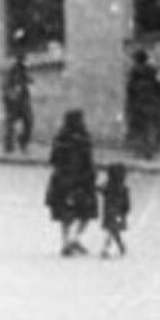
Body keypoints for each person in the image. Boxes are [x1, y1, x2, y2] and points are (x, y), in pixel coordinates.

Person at [45, 109, 98, 257]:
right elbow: (88, 161)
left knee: (66, 214)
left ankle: (67, 241)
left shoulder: (61, 139)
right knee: (85, 213)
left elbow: (53, 160)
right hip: (81, 181)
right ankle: (74, 239)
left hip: (63, 181)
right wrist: (90, 175)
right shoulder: (84, 139)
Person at [125, 50, 160, 159]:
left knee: (139, 129)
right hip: (150, 103)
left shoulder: (134, 71)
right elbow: (158, 85)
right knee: (149, 128)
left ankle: (140, 151)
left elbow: (130, 88)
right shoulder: (152, 70)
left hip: (138, 104)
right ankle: (149, 152)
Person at [1, 53, 33, 155]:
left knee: (29, 122)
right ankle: (8, 146)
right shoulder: (12, 71)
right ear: (20, 61)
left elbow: (29, 82)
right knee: (10, 124)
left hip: (24, 102)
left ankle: (22, 141)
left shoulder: (24, 71)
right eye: (25, 60)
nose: (27, 62)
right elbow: (5, 86)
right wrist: (12, 95)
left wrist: (29, 82)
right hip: (13, 103)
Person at [99, 163, 132, 258]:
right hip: (117, 213)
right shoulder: (123, 188)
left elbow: (100, 189)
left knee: (112, 230)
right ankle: (118, 246)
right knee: (113, 231)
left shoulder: (109, 187)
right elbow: (127, 204)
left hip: (110, 212)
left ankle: (108, 248)